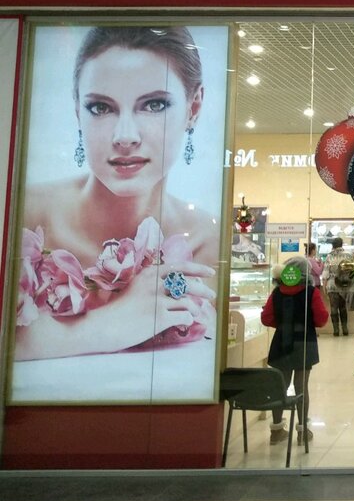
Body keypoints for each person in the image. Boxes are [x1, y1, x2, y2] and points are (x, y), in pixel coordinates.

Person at [15, 26, 217, 361]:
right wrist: (105, 325)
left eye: (154, 104)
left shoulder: (206, 241)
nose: (125, 136)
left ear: (193, 107)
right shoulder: (22, 212)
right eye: (100, 108)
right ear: (77, 109)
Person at [261, 256, 328, 445]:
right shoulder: (311, 292)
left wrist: (284, 325)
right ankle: (303, 432)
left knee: (280, 386)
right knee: (301, 386)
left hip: (281, 342)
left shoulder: (277, 292)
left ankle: (276, 431)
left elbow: (266, 318)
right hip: (304, 342)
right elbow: (321, 319)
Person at [322, 237, 352, 336]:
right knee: (343, 307)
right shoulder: (348, 255)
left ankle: (336, 330)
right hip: (344, 284)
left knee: (333, 307)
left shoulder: (329, 256)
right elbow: (352, 271)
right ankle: (345, 329)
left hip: (332, 284)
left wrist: (324, 287)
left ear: (333, 245)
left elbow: (325, 273)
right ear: (341, 244)